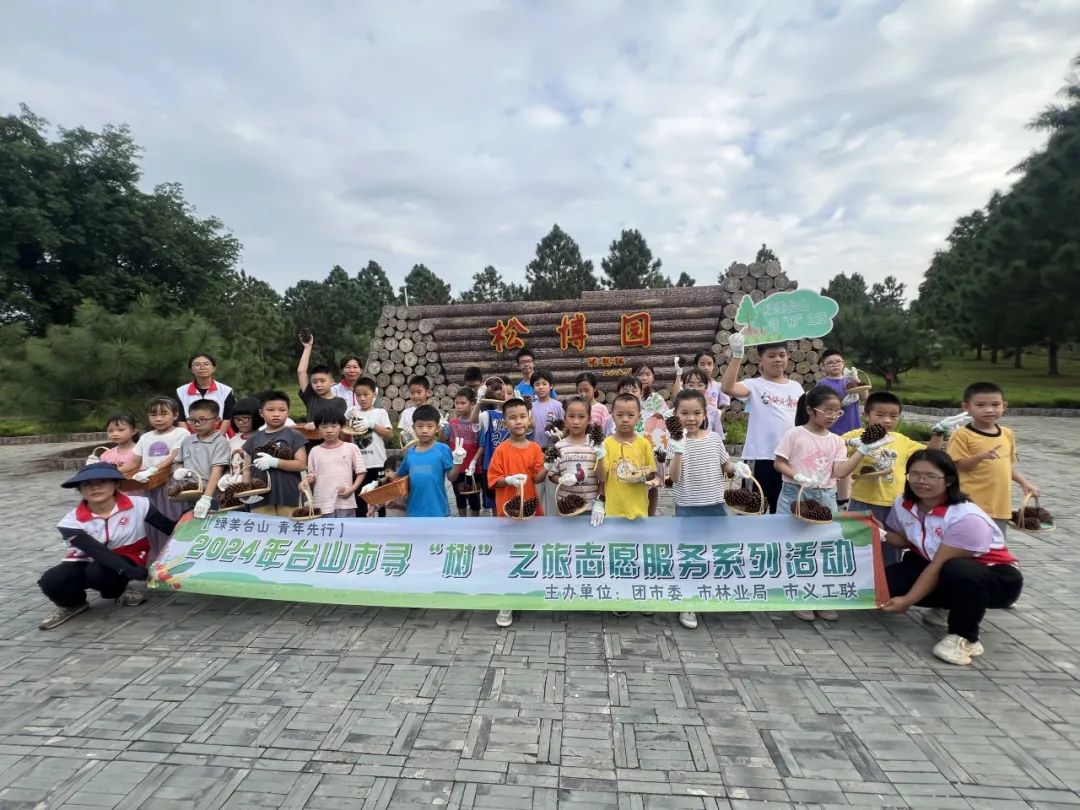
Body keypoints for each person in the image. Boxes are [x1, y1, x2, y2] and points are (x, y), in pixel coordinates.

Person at [881, 450, 1023, 666]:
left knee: (956, 569)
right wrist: (878, 532)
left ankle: (965, 637)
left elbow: (939, 564)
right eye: (914, 475)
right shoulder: (903, 503)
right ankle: (950, 607)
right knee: (887, 584)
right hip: (941, 568)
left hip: (994, 579)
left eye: (930, 476)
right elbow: (906, 540)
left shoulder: (966, 517)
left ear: (948, 480)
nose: (921, 481)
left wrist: (908, 601)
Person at [773, 385, 893, 621]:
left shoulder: (837, 441)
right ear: (810, 410)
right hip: (795, 494)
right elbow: (779, 463)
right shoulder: (795, 434)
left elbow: (839, 471)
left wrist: (862, 451)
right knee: (794, 545)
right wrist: (797, 475)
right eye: (828, 410)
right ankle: (798, 595)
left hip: (824, 496)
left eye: (837, 411)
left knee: (821, 546)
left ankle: (820, 596)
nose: (833, 416)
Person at [37, 463, 179, 629]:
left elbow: (169, 528)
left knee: (98, 573)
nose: (95, 487)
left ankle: (119, 592)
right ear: (79, 489)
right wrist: (128, 571)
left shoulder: (140, 504)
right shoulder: (69, 522)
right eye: (87, 484)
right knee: (51, 580)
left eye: (102, 481)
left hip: (128, 555)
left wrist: (191, 514)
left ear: (117, 484)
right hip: (90, 559)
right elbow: (95, 551)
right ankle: (73, 604)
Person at [667, 389, 752, 630]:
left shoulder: (714, 438)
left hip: (716, 506)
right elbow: (674, 477)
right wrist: (679, 450)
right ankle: (688, 602)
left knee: (720, 551)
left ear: (705, 414)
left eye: (696, 413)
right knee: (690, 555)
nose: (690, 418)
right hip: (687, 508)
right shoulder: (674, 443)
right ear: (675, 415)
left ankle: (722, 593)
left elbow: (725, 464)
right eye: (684, 413)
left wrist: (736, 468)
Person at [843, 392, 945, 566]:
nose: (887, 420)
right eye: (880, 415)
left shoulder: (901, 440)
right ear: (866, 415)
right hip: (862, 502)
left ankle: (889, 579)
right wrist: (852, 443)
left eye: (893, 416)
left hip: (892, 505)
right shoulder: (857, 435)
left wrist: (938, 433)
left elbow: (930, 453)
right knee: (857, 546)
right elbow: (832, 445)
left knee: (889, 550)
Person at [721, 334, 804, 513]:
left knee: (784, 509)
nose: (778, 359)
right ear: (761, 360)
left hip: (789, 459)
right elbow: (727, 388)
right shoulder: (754, 384)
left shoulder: (796, 387)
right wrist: (737, 355)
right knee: (753, 509)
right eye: (771, 356)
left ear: (788, 357)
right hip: (760, 457)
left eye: (782, 355)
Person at [946, 382, 1039, 536]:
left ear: (1004, 406)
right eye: (980, 405)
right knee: (970, 543)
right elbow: (959, 465)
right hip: (971, 504)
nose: (989, 410)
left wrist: (1024, 483)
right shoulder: (962, 435)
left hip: (999, 506)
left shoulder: (1007, 433)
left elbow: (1006, 466)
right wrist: (980, 456)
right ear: (966, 407)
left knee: (996, 545)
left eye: (995, 404)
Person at [486, 397, 545, 627]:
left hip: (530, 510)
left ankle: (529, 591)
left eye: (522, 417)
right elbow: (493, 479)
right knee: (508, 555)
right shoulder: (501, 450)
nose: (518, 421)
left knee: (530, 552)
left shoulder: (535, 448)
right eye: (512, 418)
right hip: (507, 512)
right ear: (504, 422)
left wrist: (549, 467)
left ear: (529, 420)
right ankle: (507, 601)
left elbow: (538, 477)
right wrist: (508, 480)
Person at [128, 396, 188, 560]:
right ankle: (156, 558)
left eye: (164, 414)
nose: (158, 418)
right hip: (150, 485)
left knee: (172, 519)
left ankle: (176, 558)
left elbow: (173, 457)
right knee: (152, 522)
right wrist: (111, 470)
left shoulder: (181, 433)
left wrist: (151, 470)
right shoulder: (146, 437)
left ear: (175, 415)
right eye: (153, 415)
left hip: (171, 484)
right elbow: (133, 462)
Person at [387, 404, 466, 517]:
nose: (424, 430)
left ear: (437, 428)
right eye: (420, 426)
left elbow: (451, 477)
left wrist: (458, 462)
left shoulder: (442, 449)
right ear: (413, 427)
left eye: (430, 426)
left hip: (438, 511)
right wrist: (378, 482)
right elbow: (397, 477)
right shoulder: (410, 453)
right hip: (414, 513)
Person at [241, 391, 308, 516]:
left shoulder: (295, 435)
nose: (276, 414)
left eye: (282, 410)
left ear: (288, 412)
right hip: (259, 496)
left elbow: (301, 464)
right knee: (262, 526)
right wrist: (245, 492)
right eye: (270, 410)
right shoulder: (254, 439)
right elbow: (247, 469)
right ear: (261, 413)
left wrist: (275, 462)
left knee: (288, 526)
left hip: (288, 494)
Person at [818, 349, 865, 507]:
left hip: (853, 427)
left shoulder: (849, 380)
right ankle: (828, 494)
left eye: (838, 361)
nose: (835, 365)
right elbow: (821, 405)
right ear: (823, 367)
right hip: (833, 429)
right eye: (830, 363)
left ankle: (844, 498)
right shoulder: (823, 384)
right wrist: (840, 404)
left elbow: (865, 397)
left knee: (850, 463)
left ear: (843, 363)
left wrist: (857, 381)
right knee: (832, 463)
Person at [174, 399, 231, 519]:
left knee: (211, 524)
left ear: (217, 420)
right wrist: (179, 470)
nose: (197, 424)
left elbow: (217, 471)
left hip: (212, 496)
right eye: (192, 420)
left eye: (202, 420)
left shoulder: (220, 442)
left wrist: (206, 498)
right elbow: (178, 462)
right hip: (189, 493)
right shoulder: (187, 441)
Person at [348, 376, 393, 516]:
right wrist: (346, 420)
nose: (362, 398)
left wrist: (372, 424)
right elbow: (346, 437)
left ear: (374, 394)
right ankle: (362, 525)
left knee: (381, 500)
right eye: (358, 395)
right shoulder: (353, 414)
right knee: (360, 499)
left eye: (365, 394)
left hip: (378, 463)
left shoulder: (380, 412)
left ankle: (382, 525)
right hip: (359, 465)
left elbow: (389, 434)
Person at [306, 414, 365, 517]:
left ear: (341, 427)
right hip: (322, 504)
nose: (329, 430)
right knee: (325, 527)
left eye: (334, 426)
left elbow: (361, 471)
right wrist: (305, 481)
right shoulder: (315, 451)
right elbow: (312, 475)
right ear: (318, 429)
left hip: (345, 502)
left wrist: (352, 489)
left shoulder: (351, 448)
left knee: (346, 527)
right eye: (324, 427)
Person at [549, 397, 602, 510]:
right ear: (565, 419)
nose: (576, 421)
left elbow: (602, 477)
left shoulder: (595, 445)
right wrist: (560, 480)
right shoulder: (559, 446)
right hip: (566, 506)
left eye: (581, 417)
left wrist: (600, 501)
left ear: (589, 419)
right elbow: (551, 475)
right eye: (571, 416)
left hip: (590, 506)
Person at [296, 331, 348, 432]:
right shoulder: (311, 398)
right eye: (314, 382)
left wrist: (317, 423)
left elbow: (339, 423)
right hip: (311, 440)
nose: (318, 385)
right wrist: (307, 347)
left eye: (322, 381)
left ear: (332, 381)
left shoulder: (340, 402)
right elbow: (301, 372)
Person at [474, 375, 509, 515]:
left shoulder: (515, 415)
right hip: (491, 464)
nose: (503, 395)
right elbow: (473, 421)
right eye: (498, 392)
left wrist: (525, 408)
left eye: (508, 392)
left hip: (510, 463)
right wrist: (479, 401)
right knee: (494, 501)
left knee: (511, 497)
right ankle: (497, 524)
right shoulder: (488, 415)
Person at [176, 353, 234, 435]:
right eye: (197, 365)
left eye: (206, 364)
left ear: (213, 368)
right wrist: (188, 438)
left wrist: (217, 438)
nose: (202, 367)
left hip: (218, 434)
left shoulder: (225, 390)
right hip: (191, 434)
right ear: (191, 369)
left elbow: (228, 418)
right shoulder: (181, 391)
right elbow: (181, 419)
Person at [447, 386, 482, 517]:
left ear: (472, 404)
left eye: (463, 403)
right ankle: (461, 523)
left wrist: (474, 463)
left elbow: (482, 445)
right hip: (456, 468)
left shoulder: (478, 424)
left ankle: (475, 523)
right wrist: (441, 428)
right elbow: (444, 439)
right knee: (459, 498)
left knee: (474, 499)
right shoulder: (452, 424)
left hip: (473, 469)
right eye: (457, 403)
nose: (459, 406)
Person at [680, 368, 725, 439]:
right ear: (683, 386)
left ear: (706, 387)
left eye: (700, 385)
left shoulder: (713, 411)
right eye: (691, 385)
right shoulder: (676, 411)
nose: (695, 388)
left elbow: (719, 438)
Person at [399, 375, 438, 446]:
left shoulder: (434, 412)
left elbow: (439, 431)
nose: (415, 395)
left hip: (430, 447)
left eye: (419, 392)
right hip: (412, 448)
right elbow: (402, 433)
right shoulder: (406, 413)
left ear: (428, 392)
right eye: (412, 393)